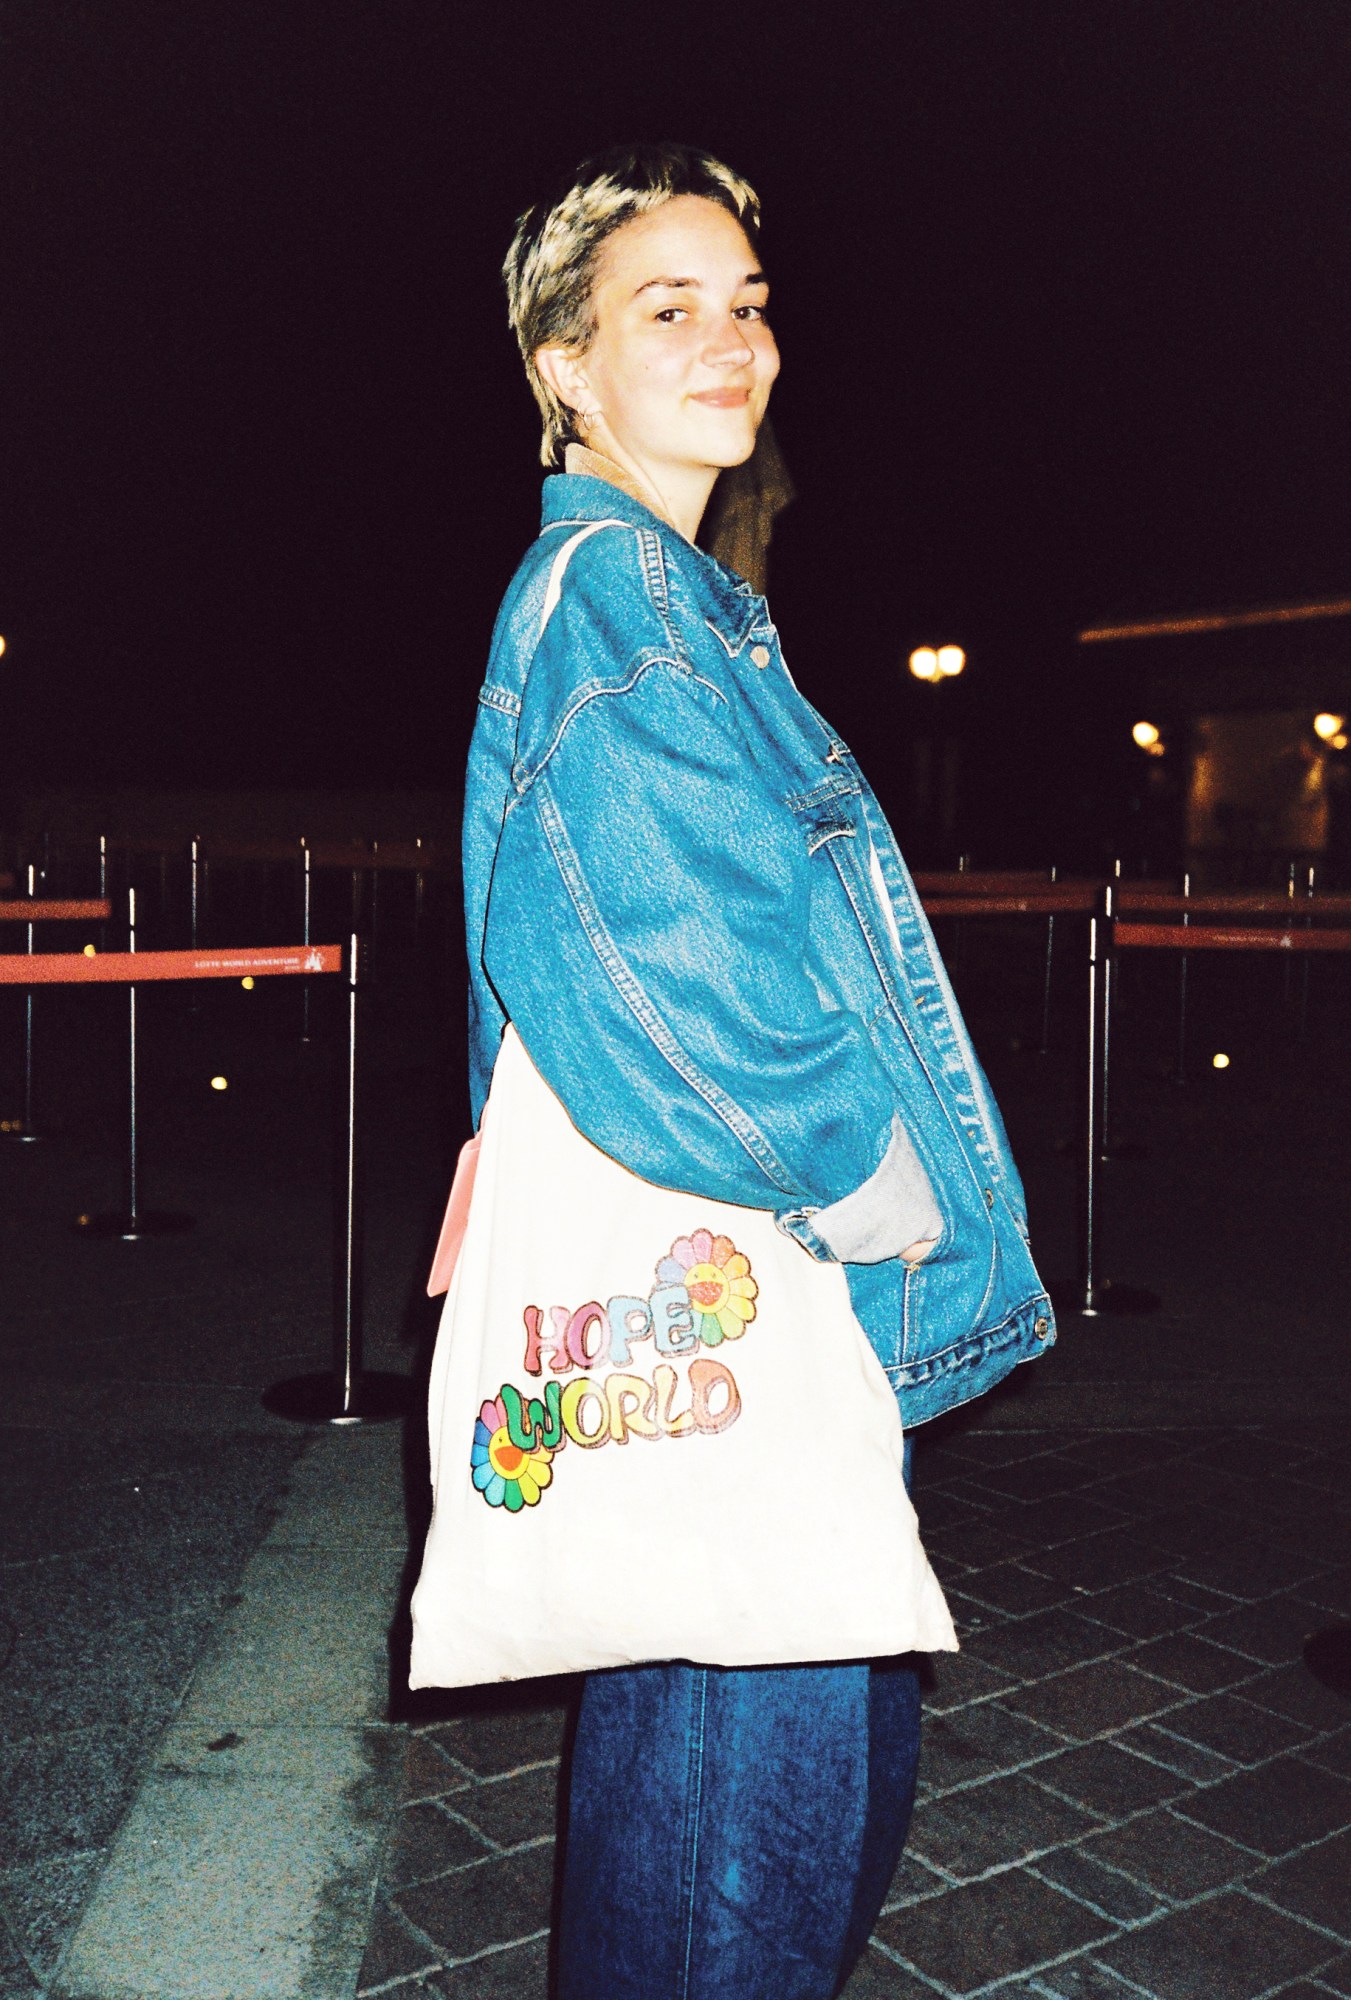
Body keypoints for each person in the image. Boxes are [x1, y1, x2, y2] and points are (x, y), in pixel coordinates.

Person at [463, 142, 1054, 2000]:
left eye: (749, 304)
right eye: (667, 307)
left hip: (730, 1300)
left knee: (790, 1766)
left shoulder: (668, 600)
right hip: (739, 1275)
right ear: (561, 362)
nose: (732, 342)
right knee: (744, 1835)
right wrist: (859, 1162)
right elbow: (663, 960)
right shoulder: (623, 610)